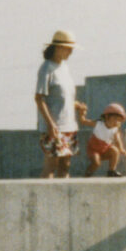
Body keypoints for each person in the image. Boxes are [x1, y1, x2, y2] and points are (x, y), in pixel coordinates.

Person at [35, 31, 79, 179]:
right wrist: (50, 124)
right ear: (58, 47)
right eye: (68, 48)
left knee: (65, 165)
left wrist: (76, 105)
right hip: (54, 126)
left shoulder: (64, 67)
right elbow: (39, 98)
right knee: (51, 165)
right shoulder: (46, 68)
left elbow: (63, 96)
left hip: (69, 125)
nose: (71, 52)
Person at [82, 102, 126, 178]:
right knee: (96, 163)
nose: (117, 122)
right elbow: (83, 121)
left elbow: (118, 140)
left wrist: (121, 149)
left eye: (119, 120)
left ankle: (111, 171)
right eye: (115, 119)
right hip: (94, 149)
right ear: (107, 117)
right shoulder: (99, 124)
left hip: (105, 149)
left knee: (115, 151)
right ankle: (88, 173)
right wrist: (82, 113)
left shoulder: (115, 129)